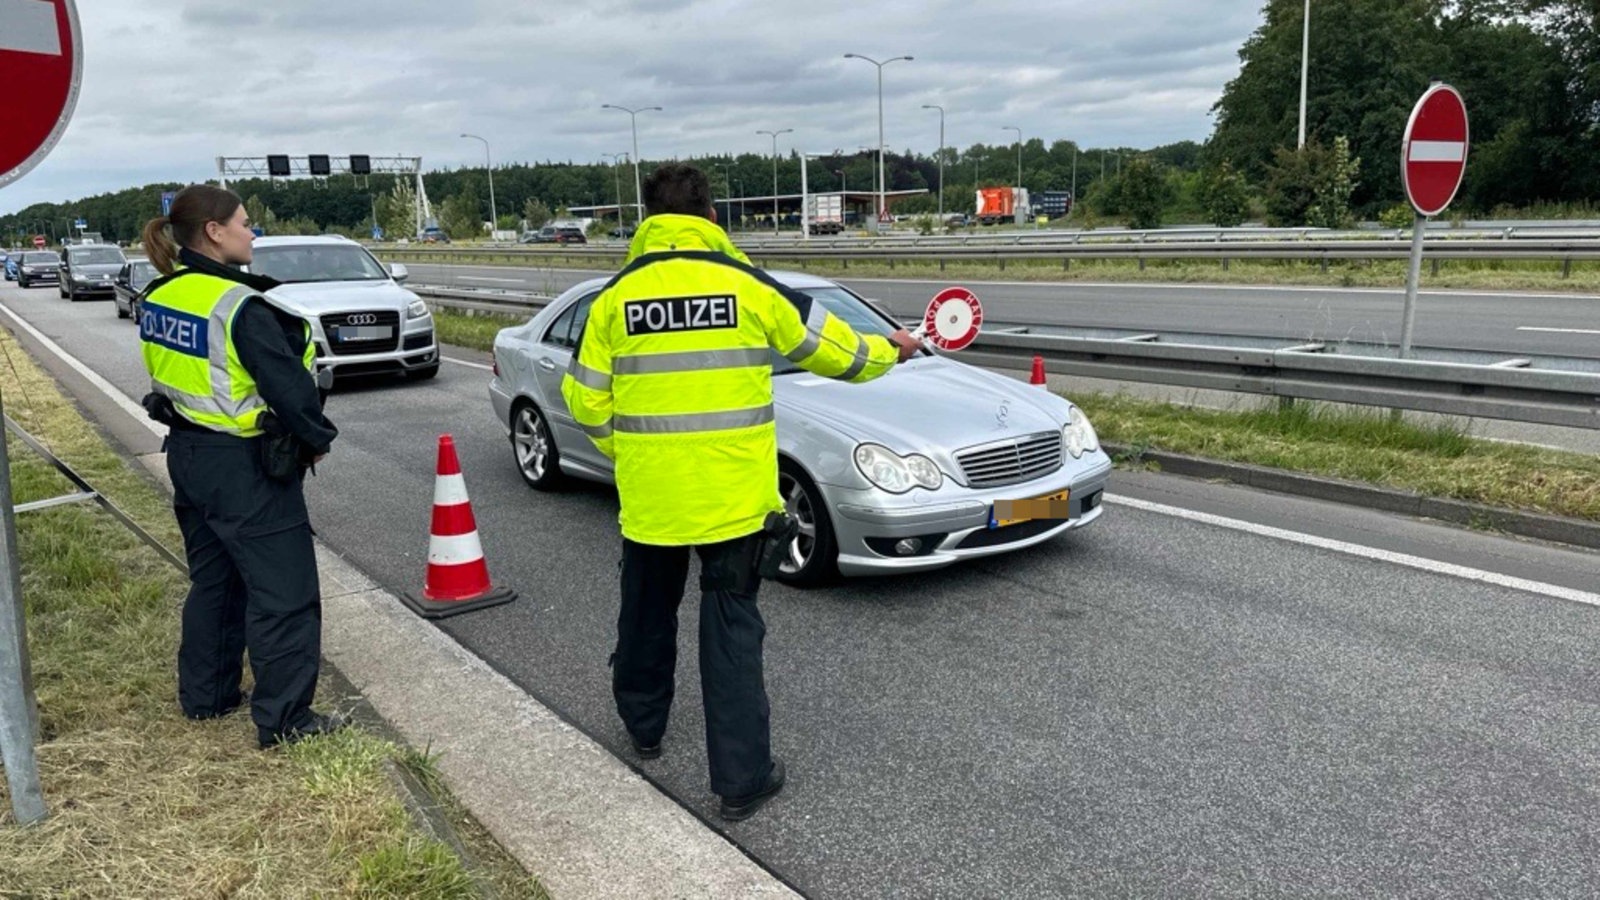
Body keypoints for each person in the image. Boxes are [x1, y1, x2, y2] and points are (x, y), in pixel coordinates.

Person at [562, 163, 921, 821]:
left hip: (652, 503)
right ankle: (742, 780)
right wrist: (892, 350)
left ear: (646, 220)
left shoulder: (615, 299)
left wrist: (637, 452)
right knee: (730, 629)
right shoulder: (749, 289)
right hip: (734, 501)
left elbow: (584, 402)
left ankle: (644, 730)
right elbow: (835, 351)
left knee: (645, 617)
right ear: (713, 219)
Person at [137, 185, 342, 749]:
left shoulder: (160, 294)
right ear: (214, 232)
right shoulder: (240, 306)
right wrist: (316, 439)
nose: (253, 234)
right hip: (245, 467)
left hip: (188, 455)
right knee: (285, 593)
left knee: (216, 583)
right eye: (246, 224)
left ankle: (207, 697)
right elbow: (290, 390)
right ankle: (285, 720)